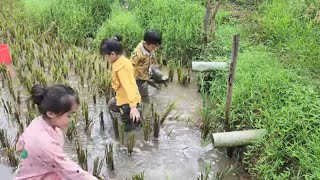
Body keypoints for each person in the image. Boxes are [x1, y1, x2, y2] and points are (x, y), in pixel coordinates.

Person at [14, 84, 97, 180]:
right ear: (51, 113)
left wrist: (29, 160)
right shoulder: (45, 144)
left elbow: (20, 146)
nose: (72, 120)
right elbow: (70, 170)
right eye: (69, 116)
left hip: (32, 171)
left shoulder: (38, 122)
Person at [100, 35, 141, 132]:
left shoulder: (121, 69)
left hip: (127, 101)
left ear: (113, 54)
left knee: (127, 126)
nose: (105, 59)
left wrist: (133, 107)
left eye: (105, 56)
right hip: (125, 97)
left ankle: (132, 134)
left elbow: (129, 87)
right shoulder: (122, 61)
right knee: (111, 105)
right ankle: (137, 116)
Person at [131, 29, 162, 100]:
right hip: (139, 77)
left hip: (147, 71)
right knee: (144, 97)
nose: (154, 49)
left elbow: (152, 56)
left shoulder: (150, 47)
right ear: (145, 43)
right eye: (153, 47)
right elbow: (130, 66)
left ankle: (151, 82)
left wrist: (155, 64)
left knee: (158, 76)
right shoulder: (137, 54)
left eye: (156, 47)